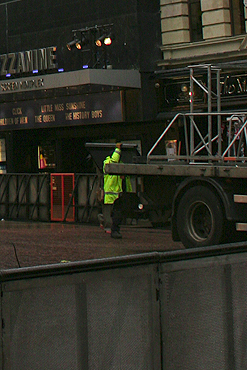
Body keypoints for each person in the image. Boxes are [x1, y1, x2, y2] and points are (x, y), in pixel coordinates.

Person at [101, 142, 132, 239]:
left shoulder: (119, 163)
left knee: (115, 214)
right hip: (111, 194)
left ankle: (112, 227)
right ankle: (109, 227)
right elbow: (114, 162)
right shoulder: (108, 162)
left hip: (117, 194)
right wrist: (118, 149)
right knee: (111, 214)